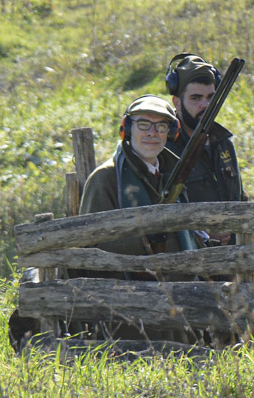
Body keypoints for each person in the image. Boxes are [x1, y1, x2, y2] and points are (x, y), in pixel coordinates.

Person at [80, 94, 200, 257]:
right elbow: (90, 247)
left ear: (171, 133)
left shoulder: (173, 176)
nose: (152, 133)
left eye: (161, 126)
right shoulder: (105, 178)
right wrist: (148, 240)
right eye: (143, 124)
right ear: (127, 128)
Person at [165, 53, 245, 207]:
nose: (205, 105)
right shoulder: (165, 148)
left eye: (210, 97)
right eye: (195, 98)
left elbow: (240, 198)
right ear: (177, 103)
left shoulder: (223, 143)